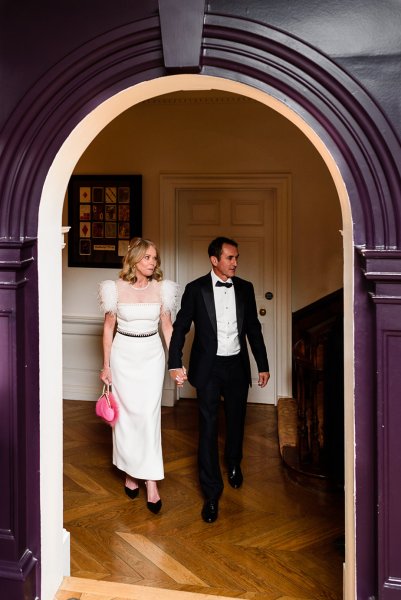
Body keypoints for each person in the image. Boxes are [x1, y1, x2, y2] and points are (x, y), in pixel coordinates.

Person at [168, 236, 270, 523]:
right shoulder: (195, 289)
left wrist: (262, 364)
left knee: (237, 421)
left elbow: (253, 328)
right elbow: (180, 328)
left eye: (236, 258)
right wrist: (175, 362)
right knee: (209, 428)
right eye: (230, 258)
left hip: (237, 366)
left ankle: (234, 463)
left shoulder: (246, 288)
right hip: (208, 369)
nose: (235, 263)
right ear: (215, 260)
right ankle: (211, 492)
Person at [98, 237, 180, 514]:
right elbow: (108, 328)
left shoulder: (163, 290)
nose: (152, 262)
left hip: (151, 356)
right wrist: (106, 365)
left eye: (154, 258)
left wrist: (177, 363)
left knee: (148, 417)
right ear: (133, 259)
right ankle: (131, 473)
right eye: (147, 258)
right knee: (126, 418)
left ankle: (151, 481)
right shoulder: (114, 289)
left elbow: (168, 328)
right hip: (123, 356)